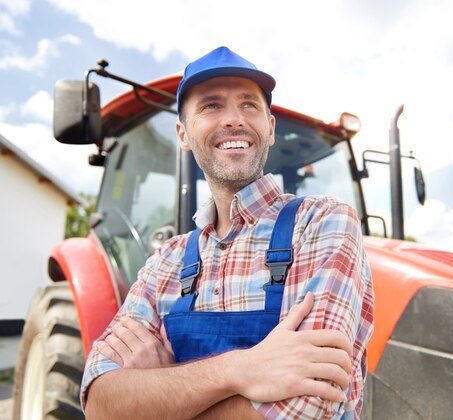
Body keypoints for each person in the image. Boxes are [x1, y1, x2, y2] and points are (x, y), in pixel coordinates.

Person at [81, 46, 374, 419]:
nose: (234, 119)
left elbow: (306, 408)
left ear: (269, 128)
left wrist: (158, 389)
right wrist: (237, 370)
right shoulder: (165, 261)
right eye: (211, 105)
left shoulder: (323, 224)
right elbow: (101, 405)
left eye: (249, 105)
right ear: (183, 135)